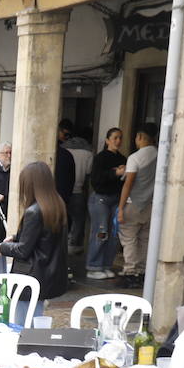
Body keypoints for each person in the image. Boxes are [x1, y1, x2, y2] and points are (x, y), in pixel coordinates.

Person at [0, 160, 69, 306]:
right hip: (47, 275)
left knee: (23, 322)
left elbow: (23, 250)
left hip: (31, 276)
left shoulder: (34, 211)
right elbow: (44, 235)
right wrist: (15, 237)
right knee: (35, 318)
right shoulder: (57, 204)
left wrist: (1, 248)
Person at [119, 123, 158, 288]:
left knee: (129, 239)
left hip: (133, 203)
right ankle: (142, 272)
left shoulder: (135, 158)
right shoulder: (160, 154)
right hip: (151, 205)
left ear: (140, 137)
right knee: (144, 239)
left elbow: (128, 184)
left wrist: (120, 208)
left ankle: (130, 272)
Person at [86, 127, 127, 280]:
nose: (118, 141)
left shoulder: (123, 158)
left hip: (116, 199)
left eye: (120, 138)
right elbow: (95, 179)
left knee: (114, 234)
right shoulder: (100, 157)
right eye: (115, 138)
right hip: (100, 199)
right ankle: (93, 266)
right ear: (107, 140)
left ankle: (106, 265)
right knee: (101, 232)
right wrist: (114, 173)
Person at [62, 123, 95, 253]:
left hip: (62, 190)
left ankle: (61, 243)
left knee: (61, 219)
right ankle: (73, 244)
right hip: (78, 190)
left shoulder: (63, 149)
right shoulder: (88, 152)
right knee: (78, 219)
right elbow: (88, 173)